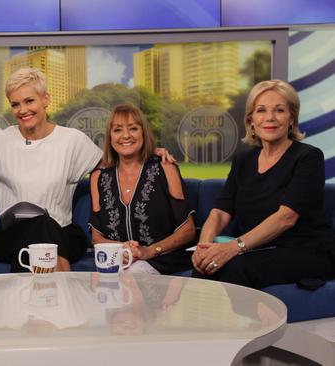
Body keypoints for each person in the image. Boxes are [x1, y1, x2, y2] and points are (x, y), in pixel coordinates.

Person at [191, 79, 335, 288]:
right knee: (205, 266)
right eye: (261, 110)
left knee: (236, 268)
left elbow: (286, 218)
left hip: (306, 250)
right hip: (259, 250)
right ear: (251, 120)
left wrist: (233, 247)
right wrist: (203, 247)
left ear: (291, 118)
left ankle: (245, 323)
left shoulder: (308, 157)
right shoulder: (243, 161)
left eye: (279, 110)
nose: (270, 118)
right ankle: (202, 322)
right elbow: (221, 211)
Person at [0, 68, 104, 272]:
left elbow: (114, 162)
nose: (22, 110)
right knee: (38, 227)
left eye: (29, 101)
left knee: (43, 226)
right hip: (12, 237)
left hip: (63, 233)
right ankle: (65, 291)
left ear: (46, 99)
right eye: (15, 104)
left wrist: (150, 151)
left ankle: (23, 300)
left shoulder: (71, 140)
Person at [89, 104, 195, 274]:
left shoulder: (165, 167)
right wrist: (123, 249)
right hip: (118, 259)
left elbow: (187, 231)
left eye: (133, 128)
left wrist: (147, 252)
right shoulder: (98, 177)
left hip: (161, 259)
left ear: (143, 133)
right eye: (117, 130)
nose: (125, 136)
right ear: (110, 137)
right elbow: (96, 237)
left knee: (133, 272)